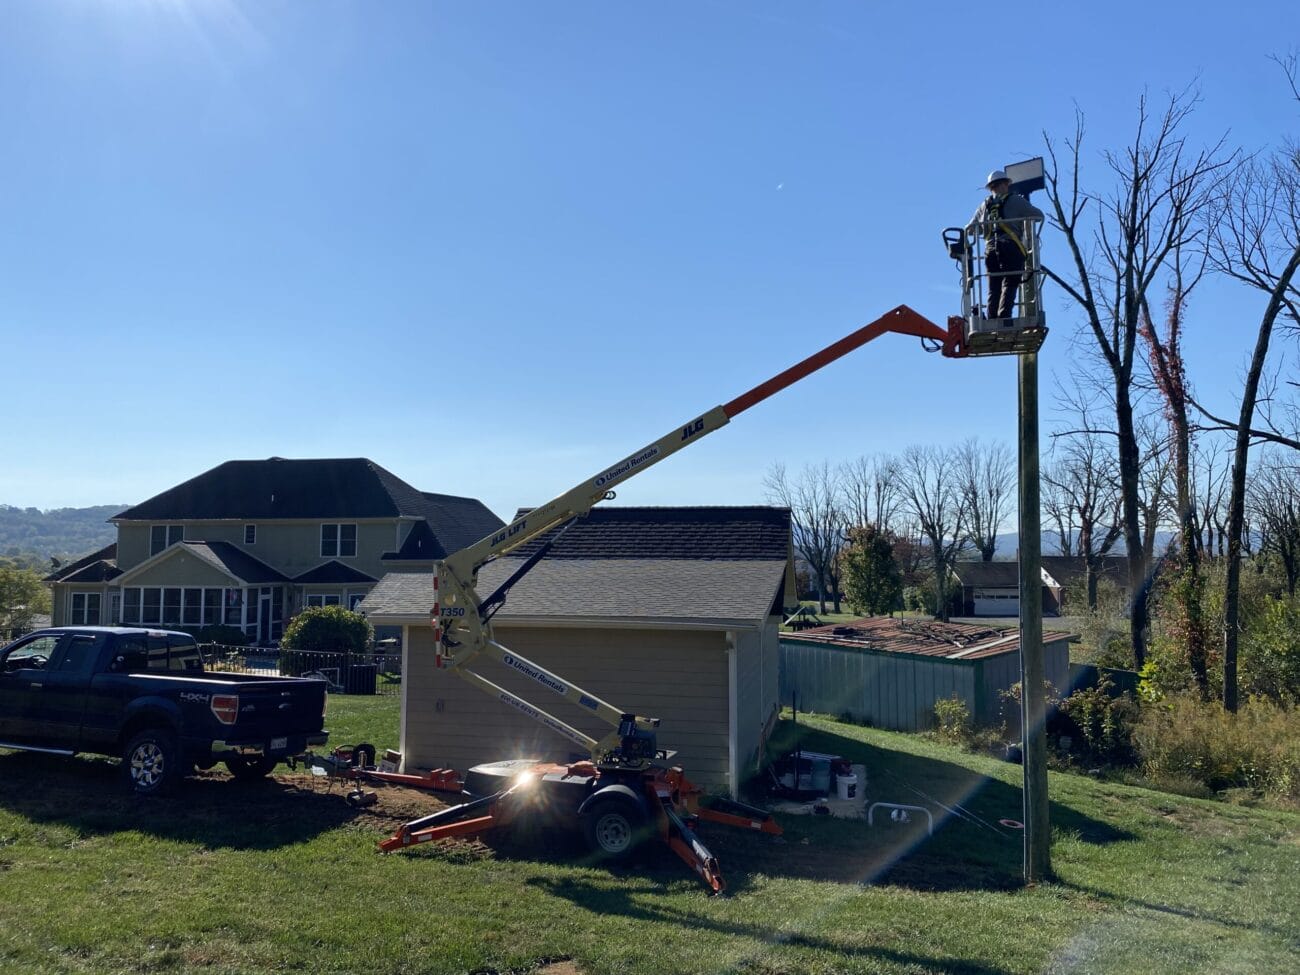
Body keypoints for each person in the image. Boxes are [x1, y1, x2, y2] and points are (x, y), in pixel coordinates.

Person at [968, 170, 1043, 320]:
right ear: (1005, 184)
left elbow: (970, 230)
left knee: (994, 287)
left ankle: (992, 319)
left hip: (990, 250)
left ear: (991, 187)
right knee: (1010, 282)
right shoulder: (1016, 200)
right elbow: (1039, 216)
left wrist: (986, 226)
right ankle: (1004, 317)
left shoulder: (984, 205)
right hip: (1011, 246)